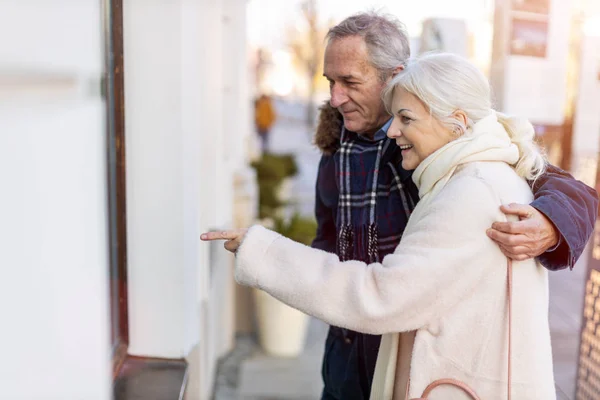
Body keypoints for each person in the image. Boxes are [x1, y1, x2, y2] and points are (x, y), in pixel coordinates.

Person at [202, 52, 567, 399]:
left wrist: (264, 252)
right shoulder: (488, 175)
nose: (392, 131)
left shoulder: (470, 193)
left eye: (407, 118)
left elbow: (380, 296)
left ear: (457, 122)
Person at [306, 12, 597, 400]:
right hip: (343, 352)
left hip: (409, 351)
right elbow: (327, 234)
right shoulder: (335, 143)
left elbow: (569, 188)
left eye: (349, 82)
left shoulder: (438, 127)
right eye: (330, 82)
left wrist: (550, 222)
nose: (335, 97)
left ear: (392, 76)